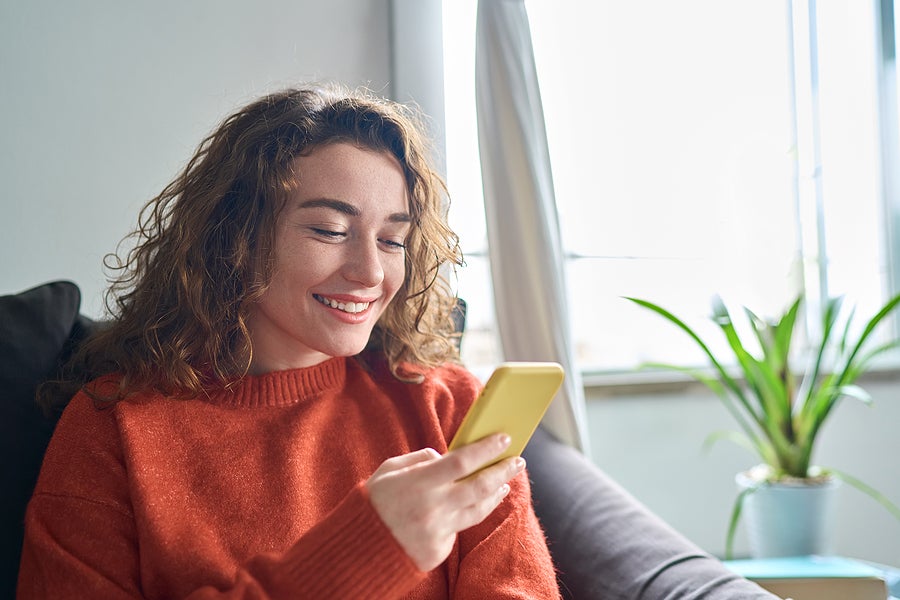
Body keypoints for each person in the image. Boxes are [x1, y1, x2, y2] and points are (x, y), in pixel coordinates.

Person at [17, 84, 560, 599]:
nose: (371, 272)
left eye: (393, 240)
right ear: (236, 238)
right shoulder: (112, 426)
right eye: (328, 230)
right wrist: (364, 552)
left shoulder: (449, 406)